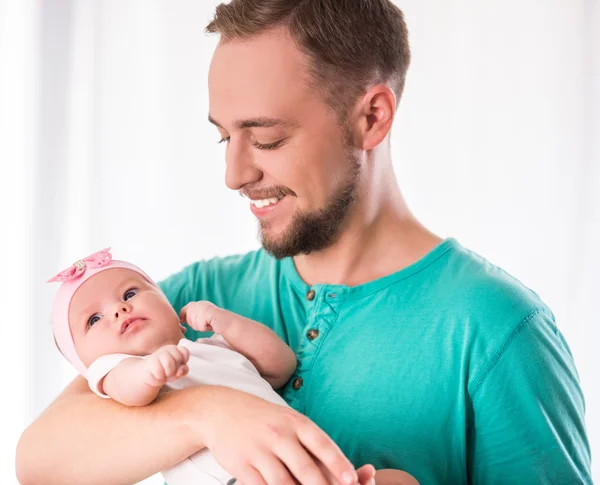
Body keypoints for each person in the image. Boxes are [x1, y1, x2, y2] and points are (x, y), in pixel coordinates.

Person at [17, 1, 592, 484]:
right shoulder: (192, 300)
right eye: (224, 137)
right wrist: (211, 414)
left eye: (265, 138)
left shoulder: (496, 329)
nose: (234, 174)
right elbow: (40, 460)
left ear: (371, 117)